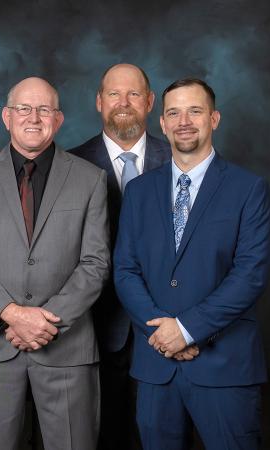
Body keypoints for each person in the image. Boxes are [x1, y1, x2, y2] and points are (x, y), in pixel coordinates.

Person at [0, 77, 110, 450]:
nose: (33, 117)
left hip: (66, 346)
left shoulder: (90, 178)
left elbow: (95, 262)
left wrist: (44, 321)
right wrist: (12, 314)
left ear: (59, 118)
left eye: (44, 109)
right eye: (24, 108)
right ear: (7, 116)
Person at [114, 78, 270, 449]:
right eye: (174, 112)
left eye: (195, 110)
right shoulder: (139, 192)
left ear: (214, 119)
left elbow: (250, 275)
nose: (184, 120)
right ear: (163, 124)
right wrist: (162, 333)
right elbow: (125, 270)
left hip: (224, 366)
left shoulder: (248, 188)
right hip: (157, 368)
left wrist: (186, 330)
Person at [69, 63, 171, 450]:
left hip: (165, 325)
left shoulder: (181, 159)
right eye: (114, 94)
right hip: (92, 326)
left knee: (162, 434)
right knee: (104, 433)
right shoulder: (70, 165)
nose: (123, 103)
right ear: (99, 102)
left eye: (133, 94)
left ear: (149, 101)